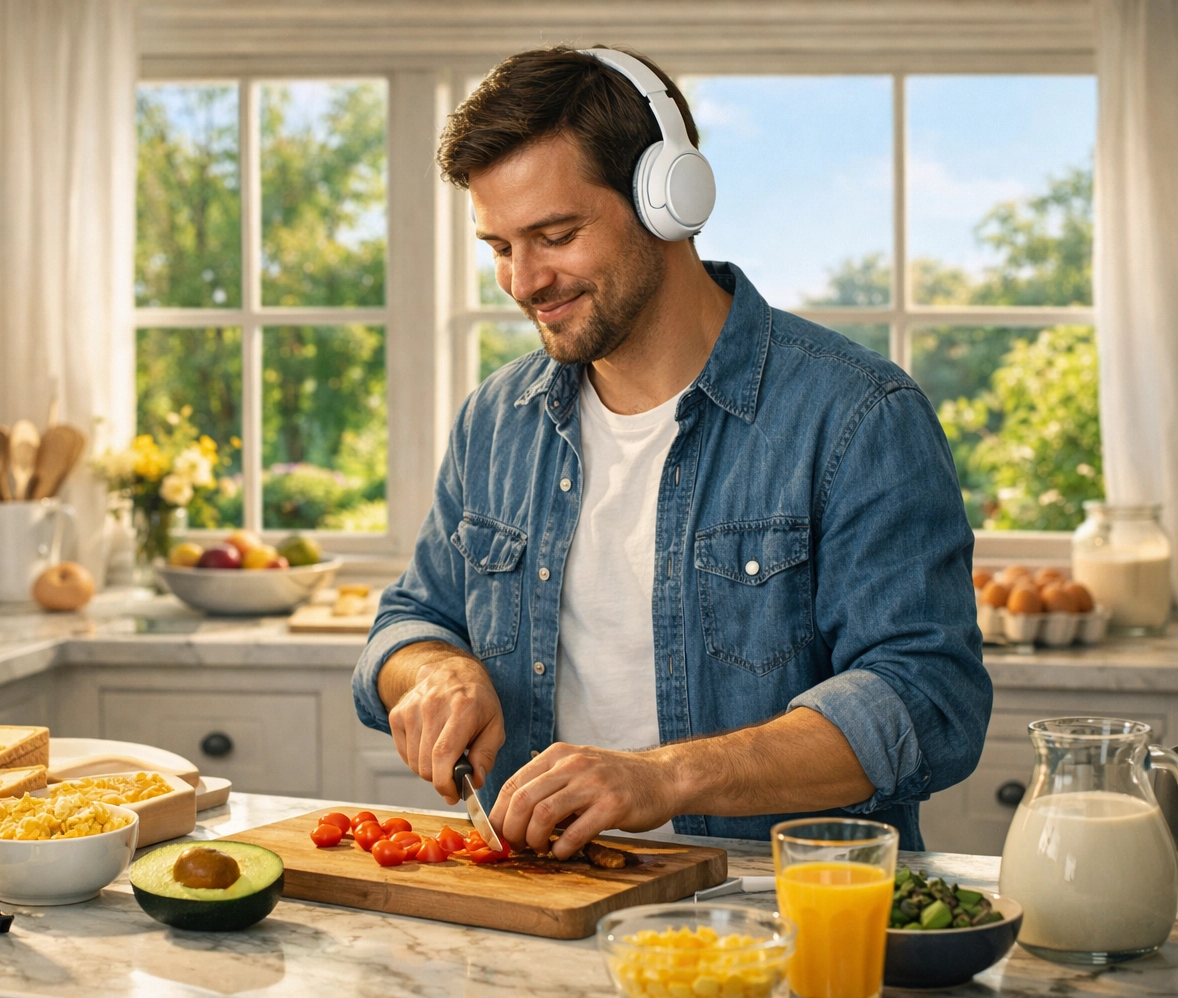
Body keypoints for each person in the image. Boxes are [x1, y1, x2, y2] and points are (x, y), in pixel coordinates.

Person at [351, 45, 990, 859]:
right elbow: (410, 621)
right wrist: (434, 669)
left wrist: (664, 778)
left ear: (668, 202)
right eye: (501, 247)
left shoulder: (858, 415)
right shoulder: (497, 420)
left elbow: (928, 698)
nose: (524, 282)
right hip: (541, 897)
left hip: (779, 905)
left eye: (556, 235)